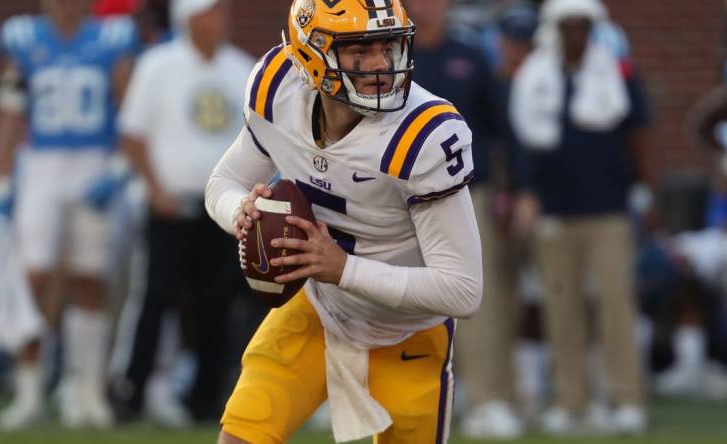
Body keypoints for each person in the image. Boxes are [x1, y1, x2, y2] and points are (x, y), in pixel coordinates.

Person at [205, 0, 483, 442]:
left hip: (406, 333)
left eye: (388, 47)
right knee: (241, 435)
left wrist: (343, 269)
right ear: (311, 55)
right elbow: (224, 182)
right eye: (360, 50)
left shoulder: (422, 135)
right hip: (318, 309)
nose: (379, 64)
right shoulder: (279, 88)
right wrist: (241, 211)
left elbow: (463, 290)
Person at [0, 0, 138, 430]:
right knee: (33, 275)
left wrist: (118, 167)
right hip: (41, 164)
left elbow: (129, 108)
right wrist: (1, 183)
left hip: (93, 159)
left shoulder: (112, 37)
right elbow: (9, 112)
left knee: (89, 277)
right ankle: (28, 391)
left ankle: (85, 392)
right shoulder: (22, 37)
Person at [509, 0, 652, 435]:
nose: (575, 34)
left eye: (582, 26)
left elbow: (639, 134)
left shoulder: (618, 74)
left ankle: (625, 399)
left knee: (615, 305)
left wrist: (644, 188)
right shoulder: (534, 79)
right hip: (555, 212)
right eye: (567, 26)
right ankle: (573, 401)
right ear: (554, 29)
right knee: (561, 307)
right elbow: (524, 144)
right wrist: (527, 194)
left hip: (608, 209)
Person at [114, 0, 254, 427]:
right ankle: (134, 389)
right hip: (169, 204)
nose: (221, 19)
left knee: (216, 302)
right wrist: (156, 190)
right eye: (212, 12)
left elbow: (258, 140)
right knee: (156, 296)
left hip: (222, 208)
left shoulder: (243, 68)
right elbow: (134, 135)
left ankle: (206, 398)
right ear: (190, 18)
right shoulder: (158, 66)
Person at [404, 0, 531, 438]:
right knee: (388, 295)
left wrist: (520, 190)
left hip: (463, 196)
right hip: (395, 198)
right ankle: (379, 394)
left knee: (478, 296)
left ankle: (488, 398)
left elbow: (503, 131)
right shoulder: (388, 55)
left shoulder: (472, 57)